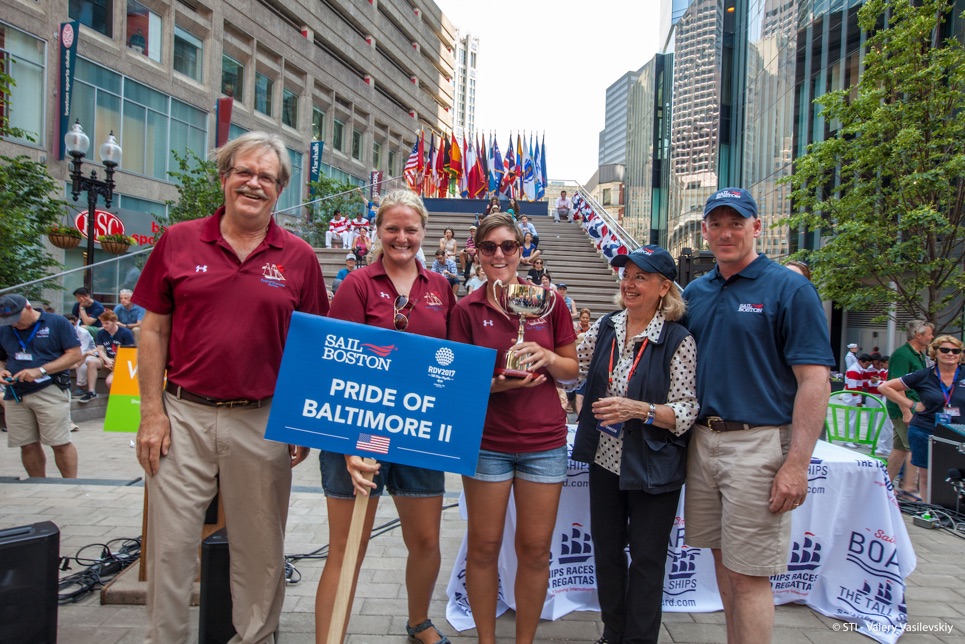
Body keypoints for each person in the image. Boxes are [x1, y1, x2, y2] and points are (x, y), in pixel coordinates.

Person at [132, 131, 328, 643]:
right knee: (170, 550)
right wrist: (150, 413)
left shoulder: (300, 257)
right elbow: (151, 328)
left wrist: (301, 419)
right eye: (244, 171)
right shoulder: (177, 241)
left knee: (260, 553)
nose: (254, 183)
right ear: (224, 177)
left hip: (262, 420)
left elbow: (313, 345)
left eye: (266, 176)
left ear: (280, 189)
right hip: (182, 418)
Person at [682, 188, 835, 644]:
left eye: (737, 223)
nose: (726, 233)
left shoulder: (789, 287)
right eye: (717, 224)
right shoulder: (696, 291)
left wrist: (796, 464)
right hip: (703, 441)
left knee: (749, 575)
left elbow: (814, 380)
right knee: (723, 564)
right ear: (704, 230)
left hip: (759, 443)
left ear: (757, 227)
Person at [315, 190, 456, 644]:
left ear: (424, 233)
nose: (402, 237)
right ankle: (329, 639)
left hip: (417, 431)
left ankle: (419, 623)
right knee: (347, 548)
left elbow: (450, 362)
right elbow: (336, 363)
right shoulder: (358, 284)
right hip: (362, 434)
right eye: (392, 228)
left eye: (411, 229)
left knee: (426, 542)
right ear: (377, 231)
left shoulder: (440, 288)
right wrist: (355, 443)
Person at [449, 213, 578, 644]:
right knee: (483, 548)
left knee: (535, 550)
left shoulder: (550, 301)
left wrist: (545, 357)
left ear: (522, 251)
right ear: (477, 253)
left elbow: (572, 370)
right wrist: (497, 385)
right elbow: (459, 384)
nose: (499, 254)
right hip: (487, 442)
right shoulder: (466, 309)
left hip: (544, 442)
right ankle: (487, 640)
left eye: (508, 246)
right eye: (490, 247)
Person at [571, 246, 699, 644]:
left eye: (641, 277)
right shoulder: (607, 326)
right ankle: (613, 633)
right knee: (607, 554)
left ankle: (640, 639)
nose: (629, 283)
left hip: (652, 465)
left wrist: (637, 409)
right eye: (626, 275)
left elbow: (686, 410)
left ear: (664, 287)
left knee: (646, 561)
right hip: (605, 461)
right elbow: (572, 361)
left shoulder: (678, 339)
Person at [0, 294, 81, 478]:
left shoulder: (57, 322)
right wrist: (1, 370)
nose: (14, 324)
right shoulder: (5, 328)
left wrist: (41, 370)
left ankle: (71, 485)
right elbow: (1, 359)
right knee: (27, 444)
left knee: (59, 442)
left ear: (28, 308)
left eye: (16, 319)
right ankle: (38, 483)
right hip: (16, 393)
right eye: (8, 320)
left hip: (49, 388)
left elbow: (75, 355)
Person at [879, 335, 965, 504]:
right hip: (925, 429)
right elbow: (885, 387)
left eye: (955, 351)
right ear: (935, 352)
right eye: (945, 350)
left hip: (958, 431)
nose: (950, 354)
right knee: (927, 473)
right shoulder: (924, 375)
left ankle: (954, 509)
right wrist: (910, 404)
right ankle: (930, 509)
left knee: (957, 471)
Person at [885, 320, 935, 501]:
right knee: (915, 446)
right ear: (918, 335)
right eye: (929, 334)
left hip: (913, 407)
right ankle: (908, 488)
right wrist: (906, 411)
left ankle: (886, 485)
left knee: (900, 448)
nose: (932, 337)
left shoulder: (919, 355)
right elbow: (897, 385)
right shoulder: (902, 355)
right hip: (906, 408)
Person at [78, 310, 135, 403]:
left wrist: (116, 362)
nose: (104, 326)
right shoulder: (101, 333)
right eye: (102, 323)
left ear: (114, 322)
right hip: (107, 358)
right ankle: (91, 391)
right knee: (91, 362)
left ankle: (119, 398)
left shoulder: (125, 333)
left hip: (121, 360)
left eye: (107, 323)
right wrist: (106, 359)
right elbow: (100, 349)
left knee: (110, 382)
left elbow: (130, 352)